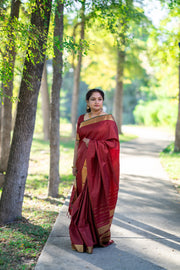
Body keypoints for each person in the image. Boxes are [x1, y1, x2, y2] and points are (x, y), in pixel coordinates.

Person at [68, 88, 120, 254]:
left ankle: (97, 237)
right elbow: (77, 143)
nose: (97, 102)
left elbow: (114, 144)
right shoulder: (81, 119)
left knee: (95, 198)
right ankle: (83, 237)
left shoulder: (108, 120)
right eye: (93, 99)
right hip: (82, 163)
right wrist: (74, 164)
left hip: (99, 167)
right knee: (82, 198)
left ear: (102, 101)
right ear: (87, 102)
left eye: (99, 99)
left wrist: (94, 144)